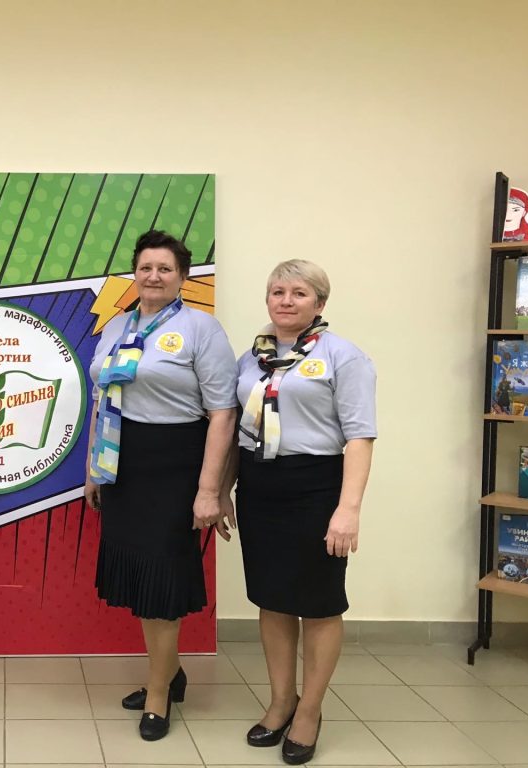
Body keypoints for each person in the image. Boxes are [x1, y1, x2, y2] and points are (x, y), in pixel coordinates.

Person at [83, 229, 237, 741]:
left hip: (175, 465)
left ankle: (158, 692)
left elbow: (223, 413)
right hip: (122, 463)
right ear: (135, 272)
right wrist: (93, 469)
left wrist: (209, 490)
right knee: (141, 578)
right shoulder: (118, 325)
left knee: (162, 580)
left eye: (165, 268)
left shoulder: (201, 328)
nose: (153, 276)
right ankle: (169, 672)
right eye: (145, 267)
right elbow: (102, 398)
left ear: (182, 277)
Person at [224, 259, 376, 765]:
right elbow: (237, 431)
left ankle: (309, 711)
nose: (286, 301)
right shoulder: (252, 358)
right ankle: (280, 702)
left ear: (320, 303)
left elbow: (360, 437)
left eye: (299, 293)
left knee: (319, 603)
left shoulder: (343, 357)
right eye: (277, 292)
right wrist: (222, 489)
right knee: (273, 598)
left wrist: (348, 509)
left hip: (316, 488)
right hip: (259, 487)